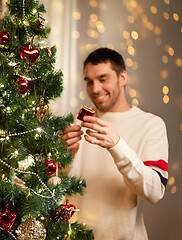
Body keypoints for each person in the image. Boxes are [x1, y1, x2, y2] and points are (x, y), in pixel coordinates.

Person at [61, 48, 168, 239]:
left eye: (103, 79)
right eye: (89, 81)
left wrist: (117, 145)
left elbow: (154, 192)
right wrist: (63, 161)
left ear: (122, 78)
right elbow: (61, 185)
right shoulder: (77, 123)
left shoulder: (151, 124)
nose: (95, 89)